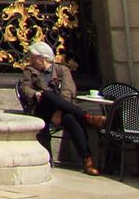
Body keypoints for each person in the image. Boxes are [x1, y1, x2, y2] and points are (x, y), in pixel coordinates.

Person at [18, 40, 102, 175]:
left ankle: (87, 159)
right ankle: (87, 117)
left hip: (63, 110)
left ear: (42, 58)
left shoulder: (62, 70)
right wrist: (35, 94)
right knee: (46, 95)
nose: (30, 60)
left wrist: (59, 111)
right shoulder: (30, 71)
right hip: (42, 109)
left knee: (70, 119)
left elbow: (68, 92)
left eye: (33, 57)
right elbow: (24, 88)